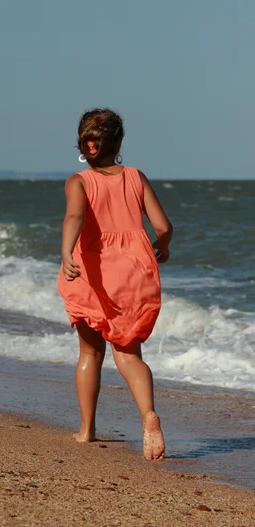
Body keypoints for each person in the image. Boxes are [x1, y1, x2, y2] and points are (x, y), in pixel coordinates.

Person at [58, 108, 173, 461]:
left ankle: (86, 430)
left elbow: (75, 216)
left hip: (93, 269)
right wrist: (163, 247)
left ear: (84, 144)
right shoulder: (136, 176)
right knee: (128, 353)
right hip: (134, 270)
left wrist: (66, 253)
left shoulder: (78, 181)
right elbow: (163, 226)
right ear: (118, 143)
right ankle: (148, 415)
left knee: (90, 352)